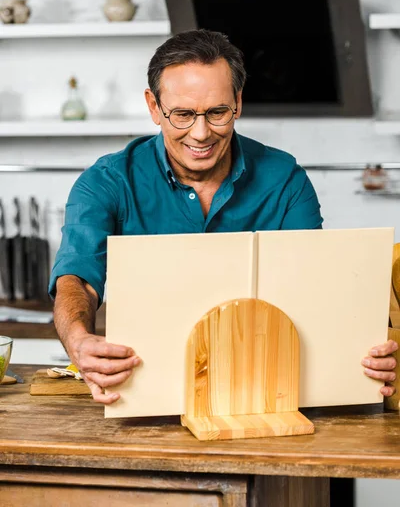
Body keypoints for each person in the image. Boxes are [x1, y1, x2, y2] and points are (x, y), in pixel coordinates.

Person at [49, 29, 397, 404]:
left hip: (268, 385)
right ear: (154, 107)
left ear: (238, 103)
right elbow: (78, 281)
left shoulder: (284, 179)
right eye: (182, 114)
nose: (201, 134)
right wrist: (79, 341)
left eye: (217, 112)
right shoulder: (106, 183)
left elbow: (313, 289)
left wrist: (364, 354)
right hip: (146, 392)